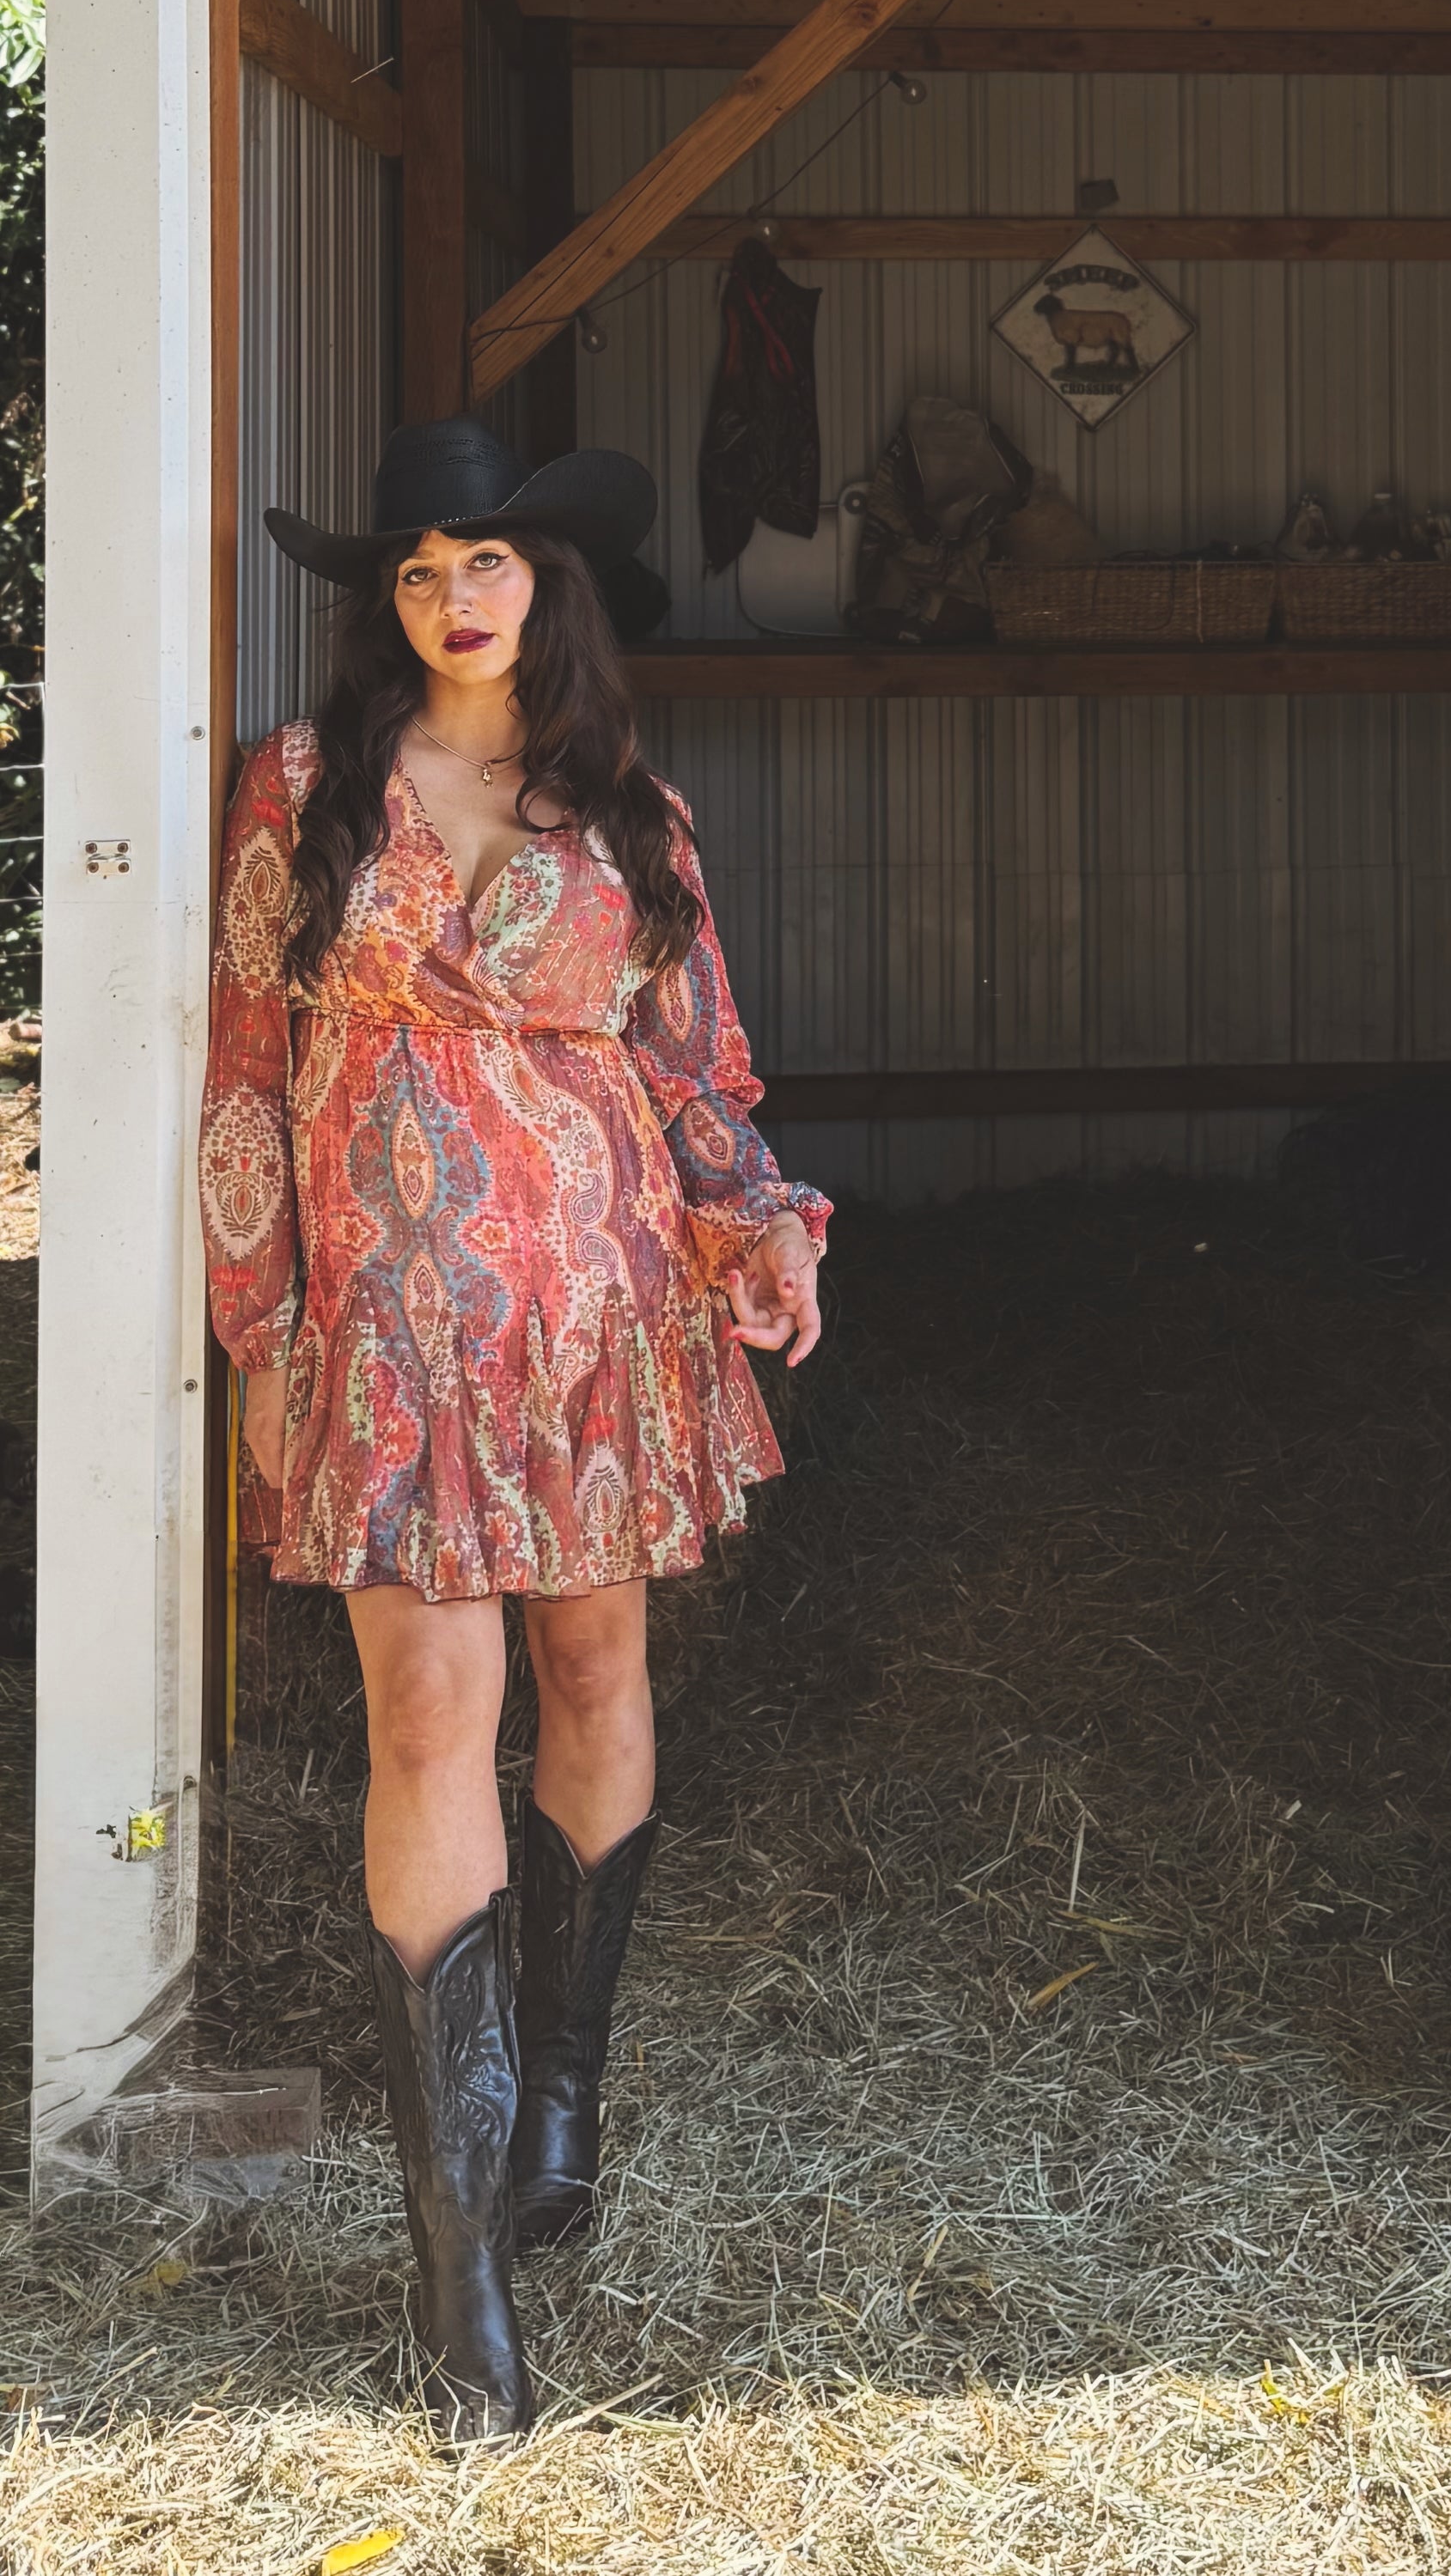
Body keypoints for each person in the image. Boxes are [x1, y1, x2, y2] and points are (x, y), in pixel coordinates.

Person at [199, 418, 831, 2443]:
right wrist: (261, 1316)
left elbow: (698, 1076)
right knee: (423, 1712)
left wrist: (761, 1227)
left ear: (550, 588)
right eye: (415, 571)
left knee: (593, 1668)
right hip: (389, 1328)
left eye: (486, 563)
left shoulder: (630, 811)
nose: (450, 597)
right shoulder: (304, 788)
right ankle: (455, 2250)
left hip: (597, 1320)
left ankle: (560, 2097)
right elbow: (246, 1062)